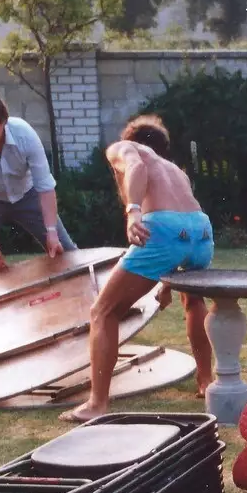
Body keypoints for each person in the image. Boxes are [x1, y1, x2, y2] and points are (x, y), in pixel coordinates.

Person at [59, 115, 214, 423]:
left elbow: (137, 168)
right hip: (202, 229)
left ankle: (97, 404)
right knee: (194, 301)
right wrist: (169, 283)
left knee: (102, 312)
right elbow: (183, 226)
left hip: (165, 229)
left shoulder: (125, 148)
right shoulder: (175, 171)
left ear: (131, 138)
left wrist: (133, 212)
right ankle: (206, 382)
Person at [0, 88, 78, 280]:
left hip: (29, 195)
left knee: (64, 249)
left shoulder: (25, 135)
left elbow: (45, 186)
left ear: (3, 121)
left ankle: (83, 298)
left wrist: (51, 232)